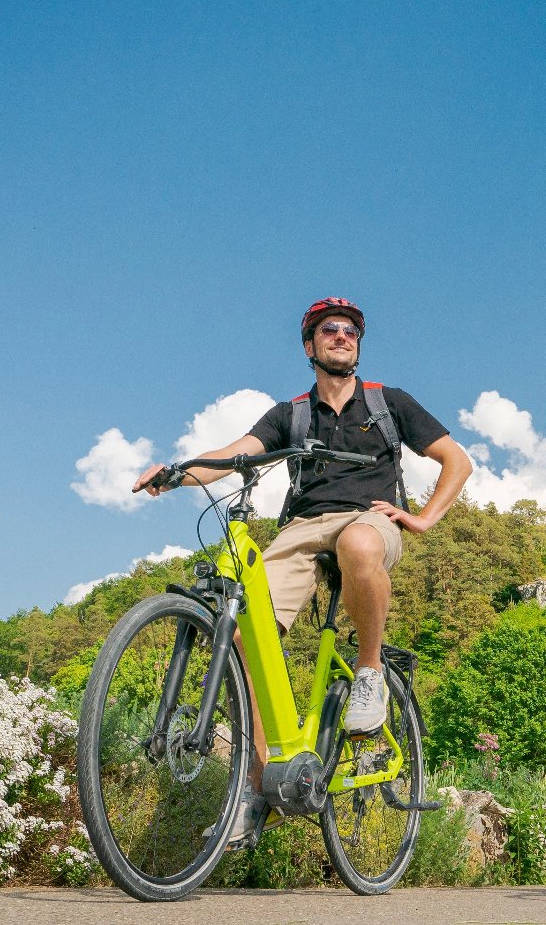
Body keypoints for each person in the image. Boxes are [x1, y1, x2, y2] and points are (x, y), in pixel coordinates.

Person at [134, 296, 472, 845]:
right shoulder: (290, 414)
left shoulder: (389, 403)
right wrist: (176, 472)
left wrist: (425, 518)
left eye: (351, 331)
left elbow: (456, 460)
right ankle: (258, 784)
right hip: (301, 529)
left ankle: (369, 676)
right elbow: (232, 455)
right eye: (330, 331)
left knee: (360, 544)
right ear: (310, 346)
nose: (342, 337)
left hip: (369, 519)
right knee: (244, 634)